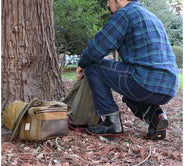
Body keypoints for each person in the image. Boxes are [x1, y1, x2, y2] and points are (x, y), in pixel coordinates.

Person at [76, 0, 179, 140]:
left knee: (92, 66)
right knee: (130, 95)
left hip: (143, 81)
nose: (107, 5)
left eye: (109, 0)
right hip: (169, 87)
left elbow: (97, 49)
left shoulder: (124, 14)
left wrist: (82, 63)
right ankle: (157, 117)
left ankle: (111, 122)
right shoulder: (151, 16)